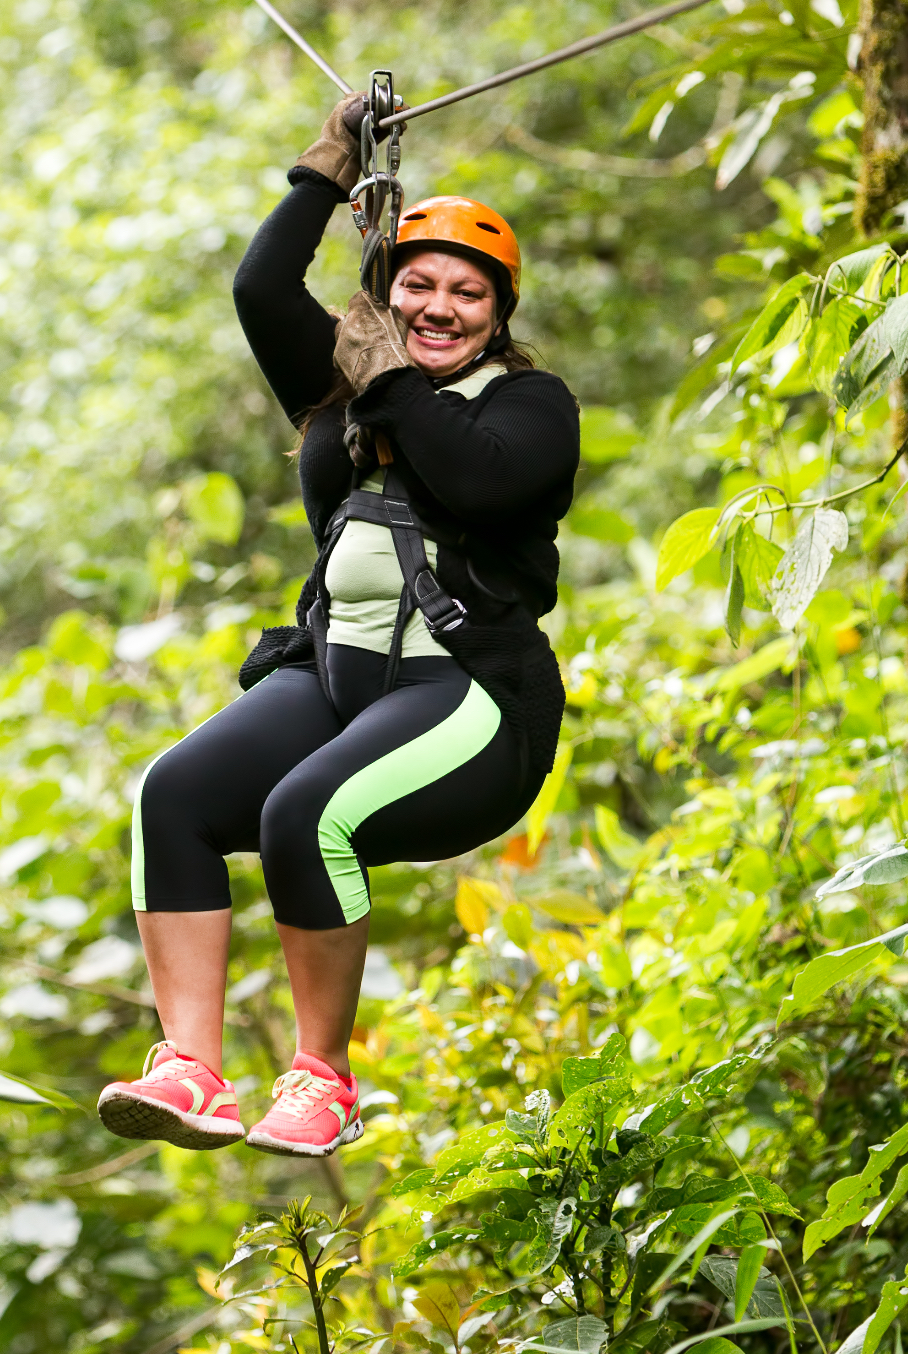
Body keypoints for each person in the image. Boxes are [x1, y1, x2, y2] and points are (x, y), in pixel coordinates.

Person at [97, 93, 579, 1158]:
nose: (440, 306)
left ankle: (322, 1076)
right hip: (336, 674)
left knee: (301, 812)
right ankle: (190, 1069)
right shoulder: (342, 378)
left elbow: (477, 481)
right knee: (169, 795)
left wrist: (388, 375)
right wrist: (327, 164)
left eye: (468, 293)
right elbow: (260, 285)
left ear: (498, 314)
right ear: (386, 288)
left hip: (468, 701)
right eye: (418, 284)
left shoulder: (531, 406)